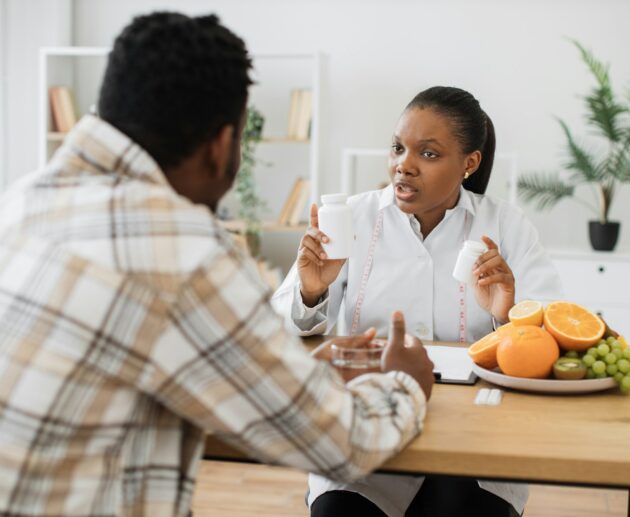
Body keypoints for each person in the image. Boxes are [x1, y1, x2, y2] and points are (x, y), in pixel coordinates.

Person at [0, 12, 436, 516]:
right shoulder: (180, 251)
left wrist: (294, 373)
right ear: (222, 146)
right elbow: (341, 443)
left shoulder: (22, 202)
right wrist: (406, 383)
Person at [272, 86, 563, 517]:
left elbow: (549, 338)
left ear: (470, 163)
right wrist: (312, 291)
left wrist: (507, 315)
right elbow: (279, 328)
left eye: (427, 154)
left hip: (476, 437)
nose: (403, 165)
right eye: (397, 148)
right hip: (367, 428)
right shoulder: (352, 217)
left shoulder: (506, 225)